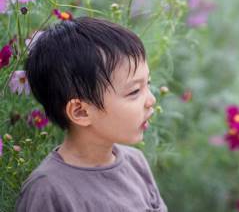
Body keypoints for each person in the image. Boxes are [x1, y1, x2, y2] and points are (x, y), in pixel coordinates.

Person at [16, 17, 167, 212]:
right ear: (80, 111)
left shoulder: (135, 163)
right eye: (134, 91)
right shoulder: (48, 190)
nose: (151, 100)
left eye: (148, 84)